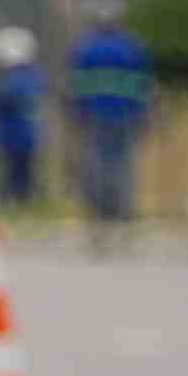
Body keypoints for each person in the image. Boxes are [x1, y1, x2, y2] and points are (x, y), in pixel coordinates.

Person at [61, 17, 152, 230]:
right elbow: (144, 85)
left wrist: (75, 112)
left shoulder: (85, 49)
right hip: (125, 114)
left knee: (97, 162)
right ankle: (122, 209)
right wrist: (143, 115)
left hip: (94, 115)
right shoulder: (132, 48)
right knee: (124, 163)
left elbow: (74, 85)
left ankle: (99, 210)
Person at [0, 28, 45, 213]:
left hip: (14, 138)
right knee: (20, 176)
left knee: (14, 177)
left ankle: (15, 207)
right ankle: (19, 207)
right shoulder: (33, 77)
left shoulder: (15, 80)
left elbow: (2, 103)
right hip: (24, 138)